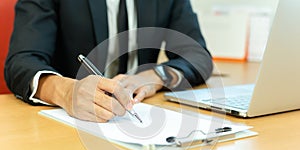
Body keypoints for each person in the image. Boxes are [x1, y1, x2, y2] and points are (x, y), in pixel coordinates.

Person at [5, 0, 213, 122]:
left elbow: (197, 55)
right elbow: (22, 60)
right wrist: (67, 92)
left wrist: (156, 76)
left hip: (136, 116)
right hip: (67, 129)